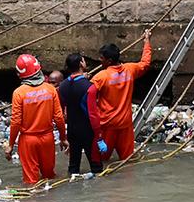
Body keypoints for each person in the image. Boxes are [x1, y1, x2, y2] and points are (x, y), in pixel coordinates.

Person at [89, 30, 152, 161]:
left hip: (107, 124)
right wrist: (146, 41)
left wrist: (81, 79)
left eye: (102, 58)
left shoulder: (101, 77)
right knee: (127, 160)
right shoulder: (130, 70)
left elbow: (87, 93)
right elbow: (145, 63)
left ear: (109, 60)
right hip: (125, 123)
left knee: (102, 159)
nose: (100, 60)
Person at [5, 54, 68, 185]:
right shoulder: (50, 89)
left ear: (19, 74)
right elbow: (59, 117)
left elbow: (16, 121)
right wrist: (63, 138)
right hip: (47, 138)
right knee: (50, 177)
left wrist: (11, 144)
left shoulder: (19, 93)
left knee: (31, 182)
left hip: (28, 140)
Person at [59, 53, 105, 178]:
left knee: (73, 167)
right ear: (81, 64)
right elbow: (93, 114)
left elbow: (61, 113)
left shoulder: (62, 86)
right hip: (88, 130)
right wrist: (99, 136)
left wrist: (63, 136)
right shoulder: (90, 88)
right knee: (97, 167)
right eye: (84, 61)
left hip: (72, 130)